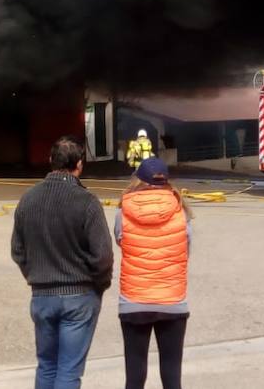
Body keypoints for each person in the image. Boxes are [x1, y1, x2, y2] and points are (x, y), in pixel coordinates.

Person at [11, 136, 114, 389]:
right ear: (79, 164)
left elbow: (17, 250)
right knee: (68, 371)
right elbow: (103, 255)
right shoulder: (87, 202)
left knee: (46, 366)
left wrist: (35, 276)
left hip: (42, 296)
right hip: (79, 296)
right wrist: (98, 285)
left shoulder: (28, 199)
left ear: (50, 160)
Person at [114, 157, 192, 389]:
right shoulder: (181, 210)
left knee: (134, 375)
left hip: (134, 300)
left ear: (138, 180)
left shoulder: (122, 212)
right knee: (172, 374)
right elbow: (186, 249)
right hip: (173, 300)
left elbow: (121, 241)